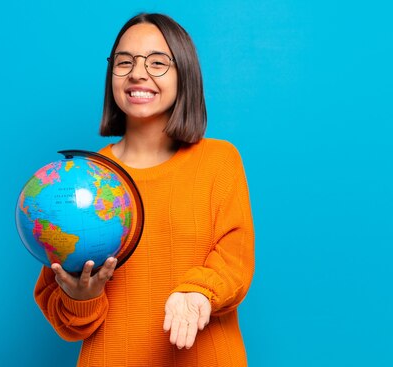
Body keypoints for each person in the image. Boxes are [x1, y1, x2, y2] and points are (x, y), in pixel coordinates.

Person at [34, 13, 255, 367]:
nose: (138, 73)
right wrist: (81, 297)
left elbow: (234, 262)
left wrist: (197, 293)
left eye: (157, 62)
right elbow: (69, 320)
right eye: (124, 62)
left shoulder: (219, 161)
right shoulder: (82, 180)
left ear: (184, 72)